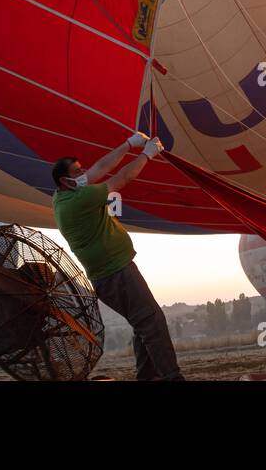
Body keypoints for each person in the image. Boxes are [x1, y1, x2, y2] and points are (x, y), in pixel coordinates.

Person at [52, 133, 184, 380]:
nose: (84, 175)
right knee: (152, 322)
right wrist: (147, 154)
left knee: (143, 324)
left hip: (111, 275)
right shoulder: (80, 199)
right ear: (64, 180)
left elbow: (100, 168)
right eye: (78, 172)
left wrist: (127, 144)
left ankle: (148, 377)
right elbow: (123, 178)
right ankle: (172, 376)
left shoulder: (63, 196)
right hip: (117, 274)